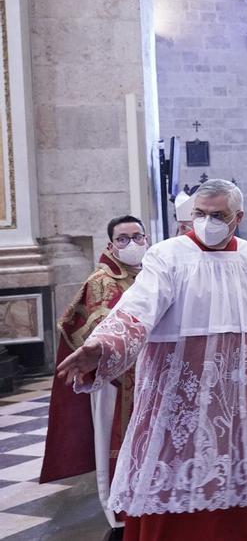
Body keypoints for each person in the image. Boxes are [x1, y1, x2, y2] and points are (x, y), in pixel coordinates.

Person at [55, 179, 247, 540]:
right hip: (179, 398)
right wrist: (103, 345)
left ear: (238, 217)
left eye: (217, 215)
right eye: (200, 214)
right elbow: (138, 307)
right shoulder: (168, 255)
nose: (206, 222)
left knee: (240, 483)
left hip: (238, 402)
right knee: (170, 481)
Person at [42, 215, 150, 540]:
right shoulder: (102, 281)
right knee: (116, 443)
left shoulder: (151, 276)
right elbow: (91, 329)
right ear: (110, 245)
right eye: (123, 239)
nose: (132, 244)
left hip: (150, 377)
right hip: (115, 382)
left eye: (138, 236)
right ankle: (121, 514)